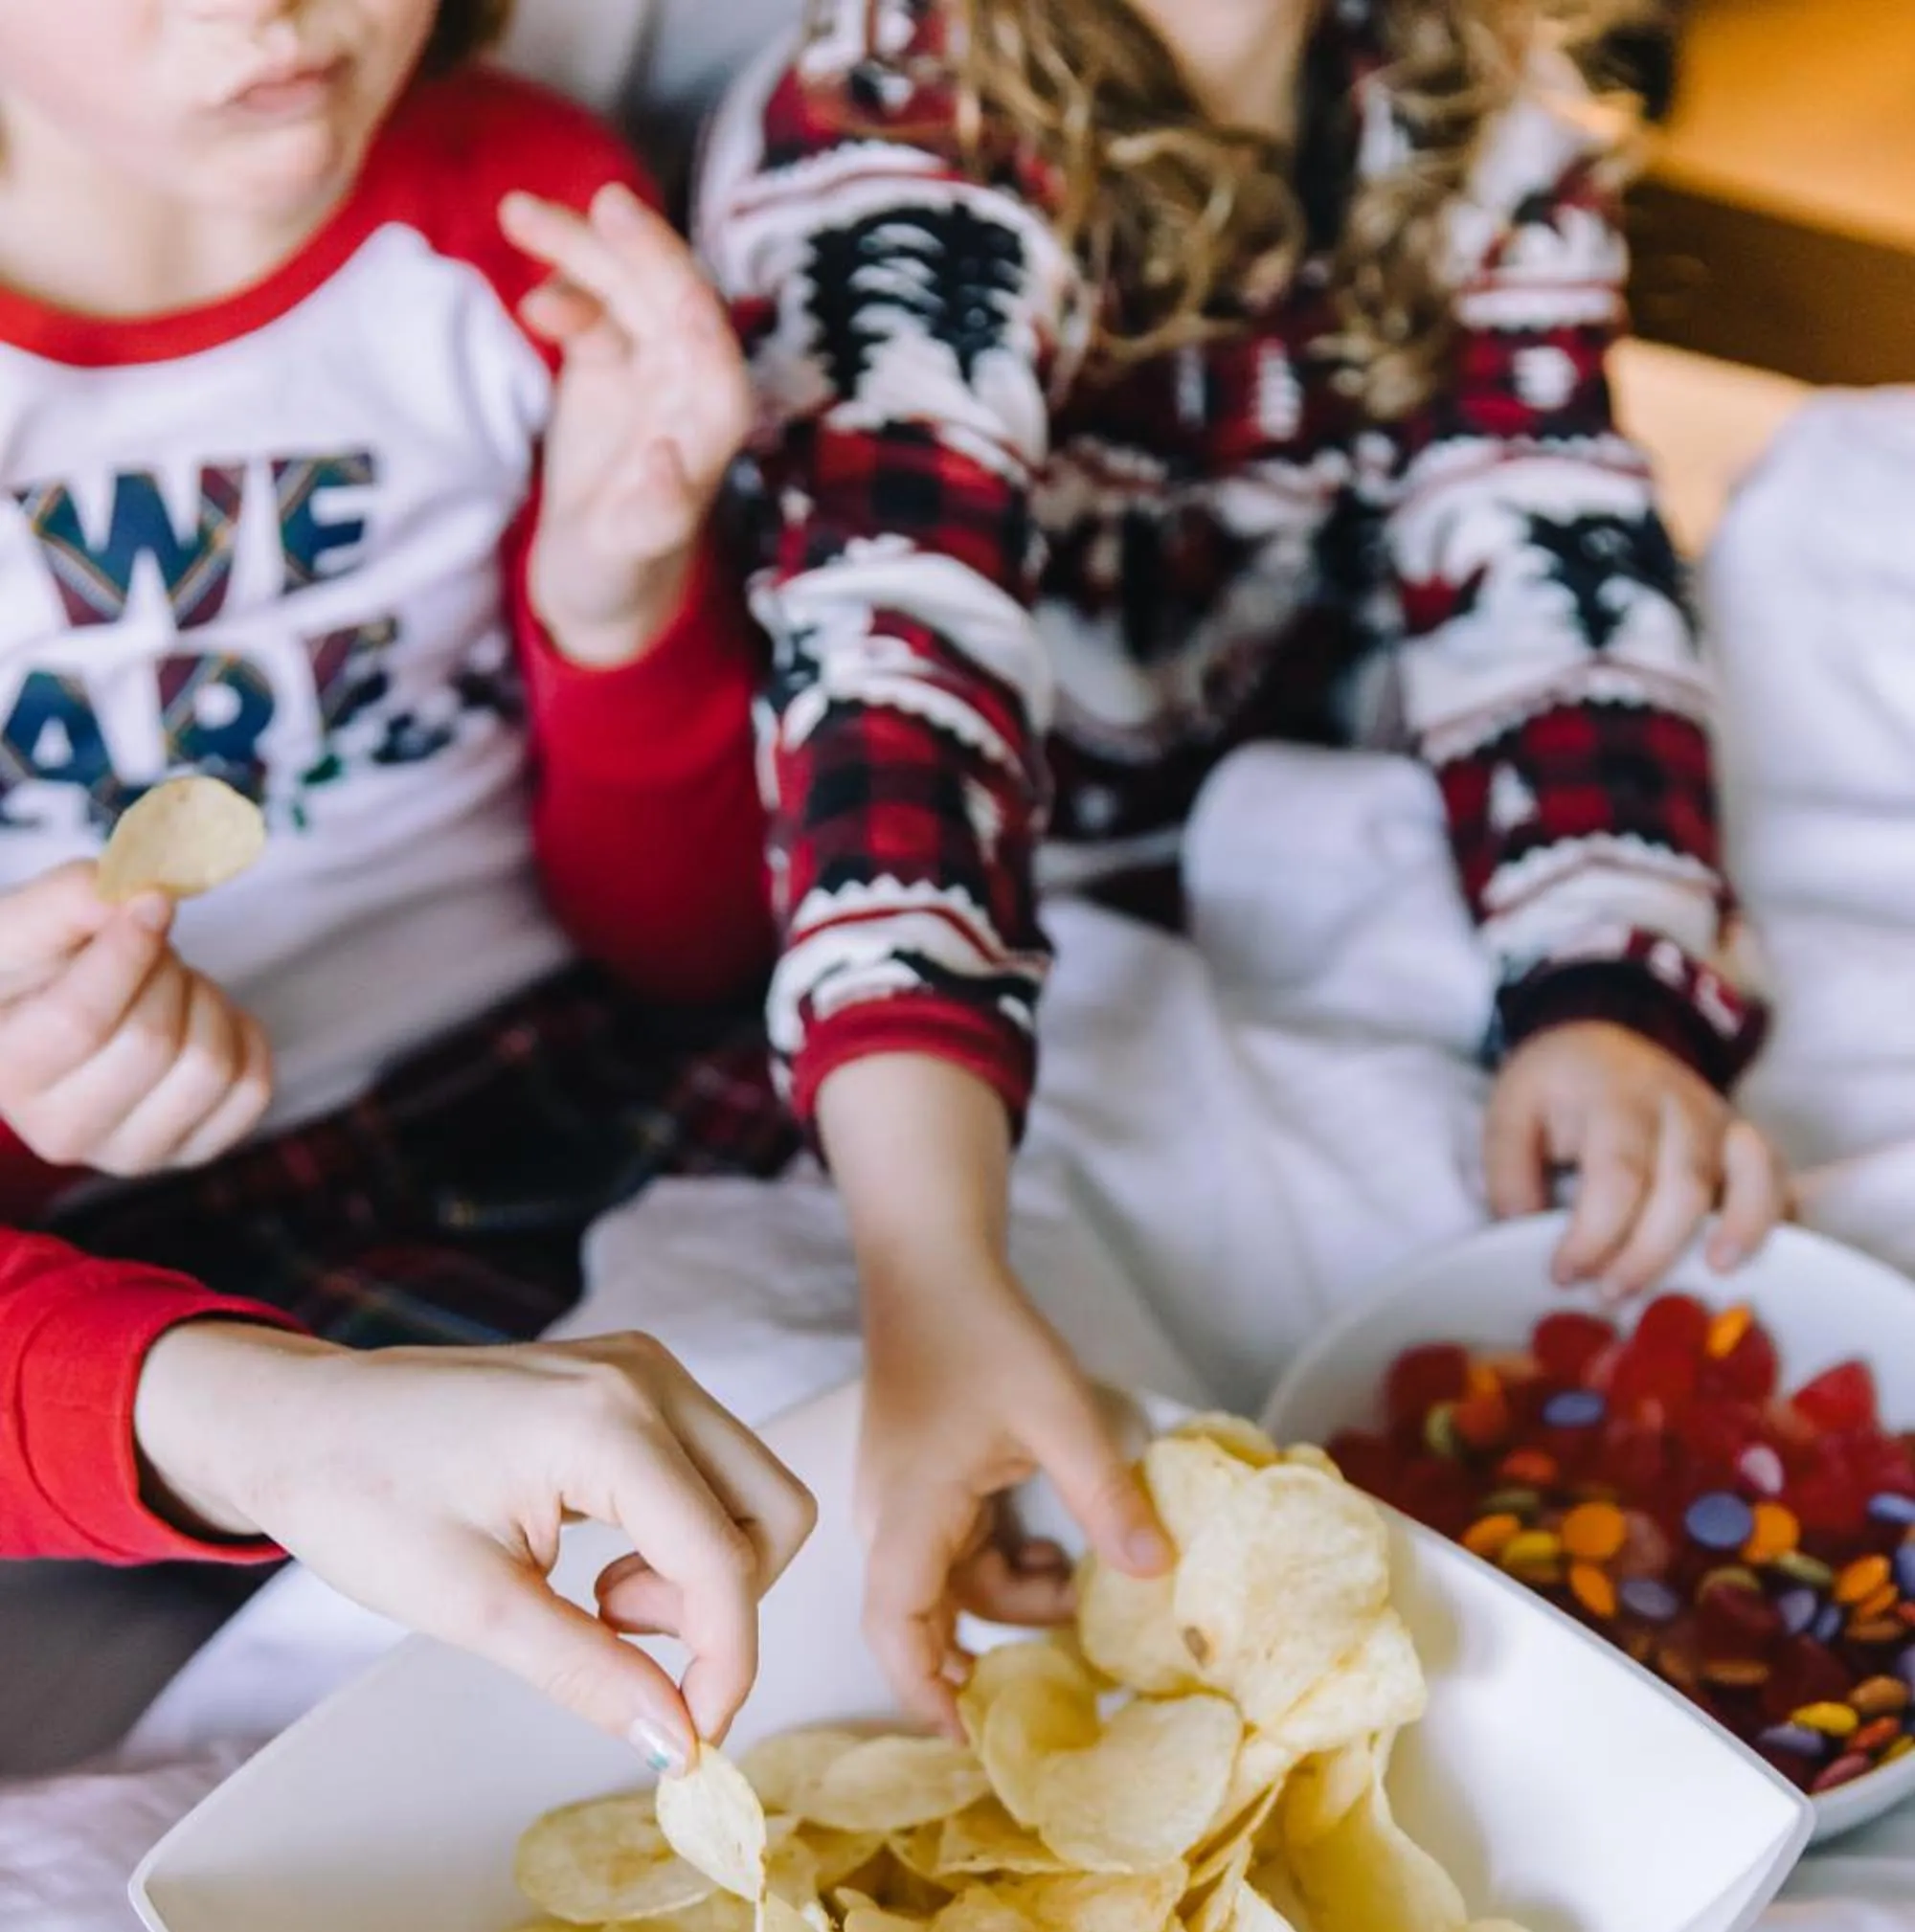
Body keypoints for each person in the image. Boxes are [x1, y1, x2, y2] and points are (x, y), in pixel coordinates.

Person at [701, 0, 1791, 1730]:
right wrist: (931, 1267)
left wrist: (1609, 984)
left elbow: (1551, 550)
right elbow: (896, 682)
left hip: (1311, 829)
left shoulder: (1487, 110)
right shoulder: (888, 115)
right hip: (945, 952)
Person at [0, 0, 808, 1748]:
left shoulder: (520, 219)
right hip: (169, 1264)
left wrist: (617, 604)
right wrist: (31, 1098)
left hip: (591, 1068)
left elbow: (695, 947)